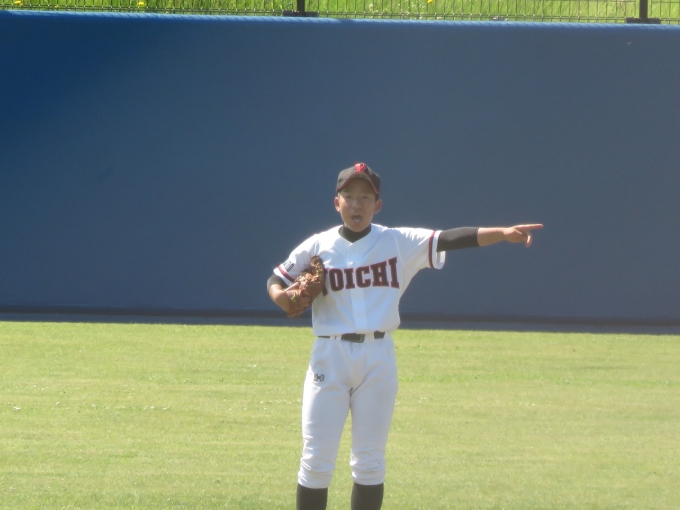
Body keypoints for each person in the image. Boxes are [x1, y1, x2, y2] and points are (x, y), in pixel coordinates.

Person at [267, 163, 543, 510]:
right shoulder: (317, 245)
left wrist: (501, 233)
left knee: (369, 461)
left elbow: (449, 238)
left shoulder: (397, 241)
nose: (357, 204)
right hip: (329, 357)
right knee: (316, 459)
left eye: (365, 197)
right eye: (349, 196)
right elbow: (276, 278)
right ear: (336, 202)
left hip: (378, 358)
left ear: (377, 205)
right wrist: (280, 296)